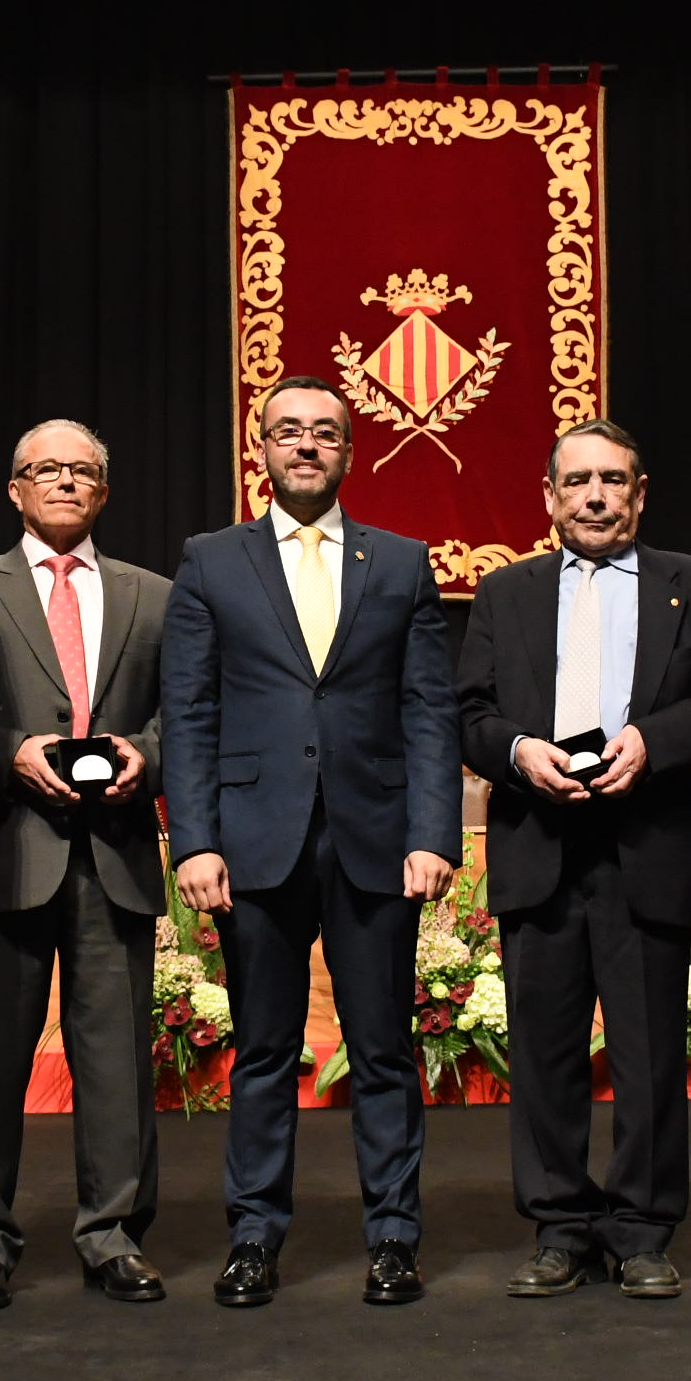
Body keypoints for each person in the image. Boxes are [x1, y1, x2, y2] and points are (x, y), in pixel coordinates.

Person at [161, 375, 461, 1309]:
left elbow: (428, 713)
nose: (305, 445)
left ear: (349, 451)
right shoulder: (210, 562)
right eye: (288, 430)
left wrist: (432, 831)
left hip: (376, 841)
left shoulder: (403, 563)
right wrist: (194, 843)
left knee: (381, 1050)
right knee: (262, 1052)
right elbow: (190, 712)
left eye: (324, 432)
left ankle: (394, 1240)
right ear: (261, 448)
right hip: (253, 846)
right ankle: (252, 1237)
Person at [457, 420, 691, 1301]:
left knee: (649, 1055)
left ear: (640, 495)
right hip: (541, 845)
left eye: (613, 481)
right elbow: (469, 713)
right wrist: (519, 752)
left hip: (648, 845)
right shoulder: (506, 592)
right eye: (577, 483)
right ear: (549, 496)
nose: (596, 497)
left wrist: (652, 739)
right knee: (543, 1052)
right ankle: (560, 1226)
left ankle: (643, 1229)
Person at [0, 419, 171, 1309]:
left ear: (104, 492)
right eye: (47, 470)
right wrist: (10, 752)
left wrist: (146, 755)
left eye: (84, 472)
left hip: (112, 854)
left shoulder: (153, 594)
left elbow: (180, 713)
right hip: (5, 847)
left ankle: (113, 1235)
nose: (66, 483)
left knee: (114, 1061)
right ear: (15, 489)